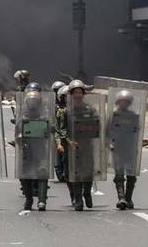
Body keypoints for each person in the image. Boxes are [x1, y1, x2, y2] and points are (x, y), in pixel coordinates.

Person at [63, 80, 101, 212]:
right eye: (75, 92)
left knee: (88, 171)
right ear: (71, 94)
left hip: (87, 144)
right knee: (75, 173)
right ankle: (78, 200)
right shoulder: (66, 111)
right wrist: (68, 140)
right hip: (73, 146)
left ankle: (87, 193)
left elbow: (97, 125)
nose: (78, 95)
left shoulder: (89, 109)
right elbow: (63, 129)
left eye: (80, 92)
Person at [15, 90, 51, 211]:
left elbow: (52, 130)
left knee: (42, 172)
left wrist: (48, 127)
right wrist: (19, 138)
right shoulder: (22, 118)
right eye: (31, 101)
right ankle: (29, 198)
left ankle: (42, 201)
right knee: (24, 176)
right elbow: (17, 134)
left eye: (35, 101)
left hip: (40, 149)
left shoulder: (44, 117)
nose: (33, 103)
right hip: (26, 150)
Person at [107, 89, 141, 210]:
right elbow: (107, 132)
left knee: (131, 175)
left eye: (126, 101)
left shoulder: (133, 116)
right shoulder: (113, 116)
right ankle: (121, 198)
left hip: (130, 148)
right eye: (121, 101)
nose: (124, 103)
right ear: (117, 102)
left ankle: (128, 198)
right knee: (119, 174)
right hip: (117, 148)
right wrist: (110, 143)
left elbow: (138, 132)